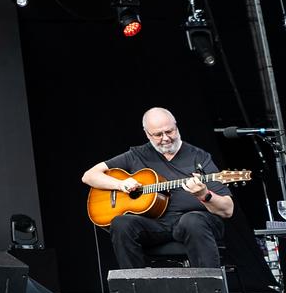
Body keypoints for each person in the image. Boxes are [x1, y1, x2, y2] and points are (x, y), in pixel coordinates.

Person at [81, 107, 234, 269]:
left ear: (176, 127)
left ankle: (208, 290)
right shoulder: (137, 155)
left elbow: (228, 210)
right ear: (147, 134)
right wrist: (120, 184)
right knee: (121, 223)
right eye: (158, 135)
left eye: (170, 131)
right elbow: (89, 176)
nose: (166, 138)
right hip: (157, 225)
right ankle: (136, 288)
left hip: (195, 221)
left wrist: (205, 194)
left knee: (192, 221)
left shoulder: (199, 157)